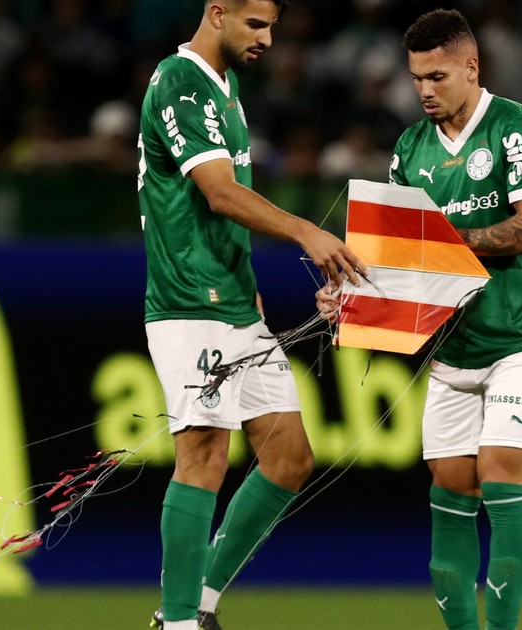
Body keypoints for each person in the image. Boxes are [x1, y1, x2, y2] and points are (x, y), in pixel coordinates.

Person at [317, 9, 522, 630]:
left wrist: (440, 243)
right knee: (450, 491)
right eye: (417, 78)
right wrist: (351, 296)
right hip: (453, 348)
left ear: (471, 67)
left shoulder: (517, 128)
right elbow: (403, 262)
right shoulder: (410, 148)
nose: (424, 90)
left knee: (500, 479)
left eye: (437, 76)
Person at [137, 2, 365, 629]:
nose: (267, 39)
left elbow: (221, 207)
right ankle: (178, 622)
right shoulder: (181, 81)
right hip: (189, 302)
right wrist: (305, 231)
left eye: (272, 27)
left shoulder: (226, 85)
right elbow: (218, 191)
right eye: (255, 25)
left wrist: (249, 284)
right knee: (204, 453)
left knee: (289, 458)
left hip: (235, 302)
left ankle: (199, 606)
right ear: (217, 13)